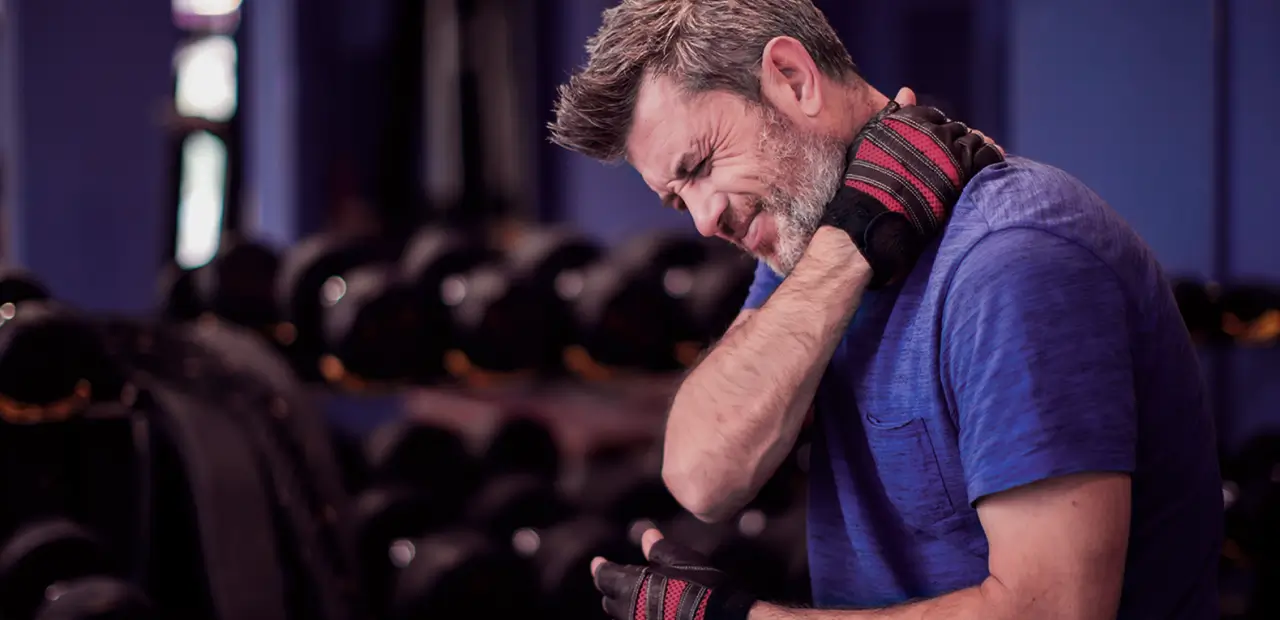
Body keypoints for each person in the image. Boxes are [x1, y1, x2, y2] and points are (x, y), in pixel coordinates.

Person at [549, 1, 1222, 618]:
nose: (702, 221)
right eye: (676, 200)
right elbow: (702, 475)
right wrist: (851, 245)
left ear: (791, 76)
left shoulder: (1012, 261)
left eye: (699, 166)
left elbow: (1055, 611)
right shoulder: (815, 244)